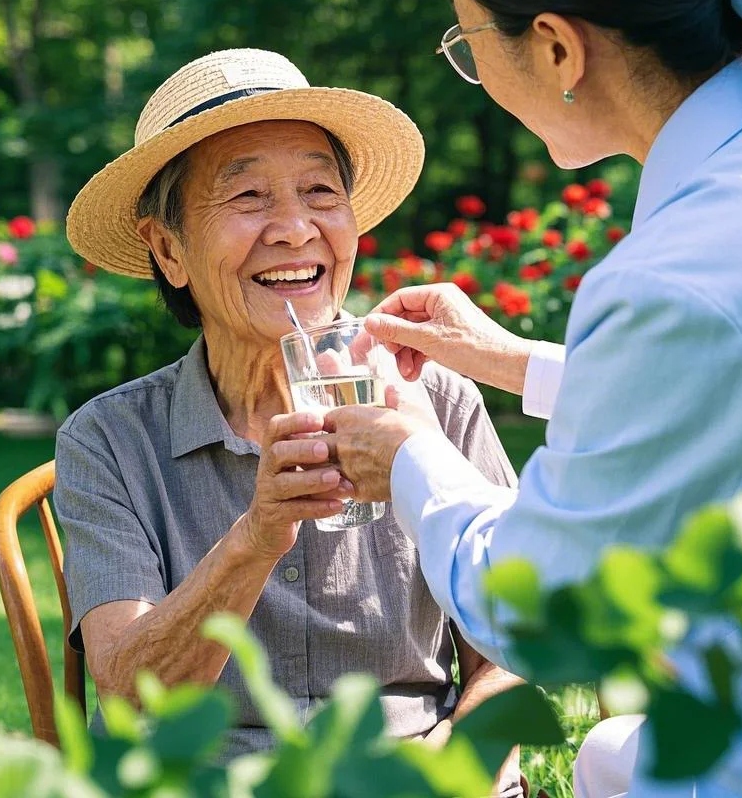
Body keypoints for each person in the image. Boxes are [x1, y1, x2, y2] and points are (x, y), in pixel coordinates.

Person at [317, 0, 742, 795]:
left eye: (471, 41)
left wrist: (412, 454)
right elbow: (732, 384)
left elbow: (545, 613)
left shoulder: (673, 276)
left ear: (558, 47)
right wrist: (515, 363)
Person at [55, 47, 525, 793]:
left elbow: (517, 651)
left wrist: (453, 772)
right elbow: (133, 701)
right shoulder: (109, 444)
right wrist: (256, 535)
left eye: (319, 190)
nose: (295, 228)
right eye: (247, 199)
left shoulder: (436, 400)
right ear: (168, 247)